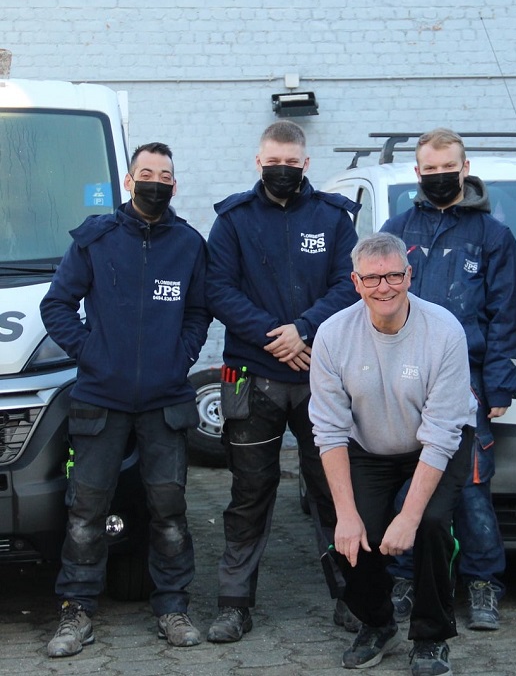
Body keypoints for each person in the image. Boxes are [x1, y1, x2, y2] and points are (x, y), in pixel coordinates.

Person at [40, 142, 211, 657]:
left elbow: (199, 312)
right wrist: (94, 353)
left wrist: (177, 358)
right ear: (129, 182)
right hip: (101, 398)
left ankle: (173, 608)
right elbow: (58, 305)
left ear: (174, 185)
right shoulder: (96, 240)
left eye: (165, 174)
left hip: (164, 399)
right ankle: (76, 613)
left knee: (169, 508)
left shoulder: (188, 245)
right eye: (146, 173)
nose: (156, 181)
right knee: (86, 510)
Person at [205, 120, 360, 642]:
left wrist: (306, 329)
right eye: (275, 162)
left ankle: (353, 598)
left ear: (306, 164)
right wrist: (278, 336)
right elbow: (218, 289)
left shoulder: (335, 218)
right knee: (250, 492)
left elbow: (350, 283)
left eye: (293, 164)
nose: (283, 171)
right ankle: (233, 604)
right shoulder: (232, 220)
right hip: (255, 376)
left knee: (332, 491)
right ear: (258, 161)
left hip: (322, 376)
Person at [310, 232, 476, 676]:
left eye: (394, 276)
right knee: (351, 529)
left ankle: (432, 635)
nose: (384, 287)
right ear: (355, 282)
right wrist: (346, 514)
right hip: (369, 443)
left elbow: (442, 433)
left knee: (432, 524)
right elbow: (328, 431)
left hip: (437, 442)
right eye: (372, 278)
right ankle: (377, 623)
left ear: (409, 275)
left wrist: (409, 516)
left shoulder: (444, 331)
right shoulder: (331, 335)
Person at [380, 128, 516, 631]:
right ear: (417, 173)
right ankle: (403, 578)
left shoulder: (493, 236)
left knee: (469, 487)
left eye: (449, 168)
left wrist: (501, 384)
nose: (439, 177)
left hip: (468, 382)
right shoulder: (397, 231)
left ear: (464, 168)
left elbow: (507, 314)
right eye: (430, 170)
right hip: (402, 378)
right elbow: (375, 301)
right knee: (403, 482)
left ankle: (483, 583)